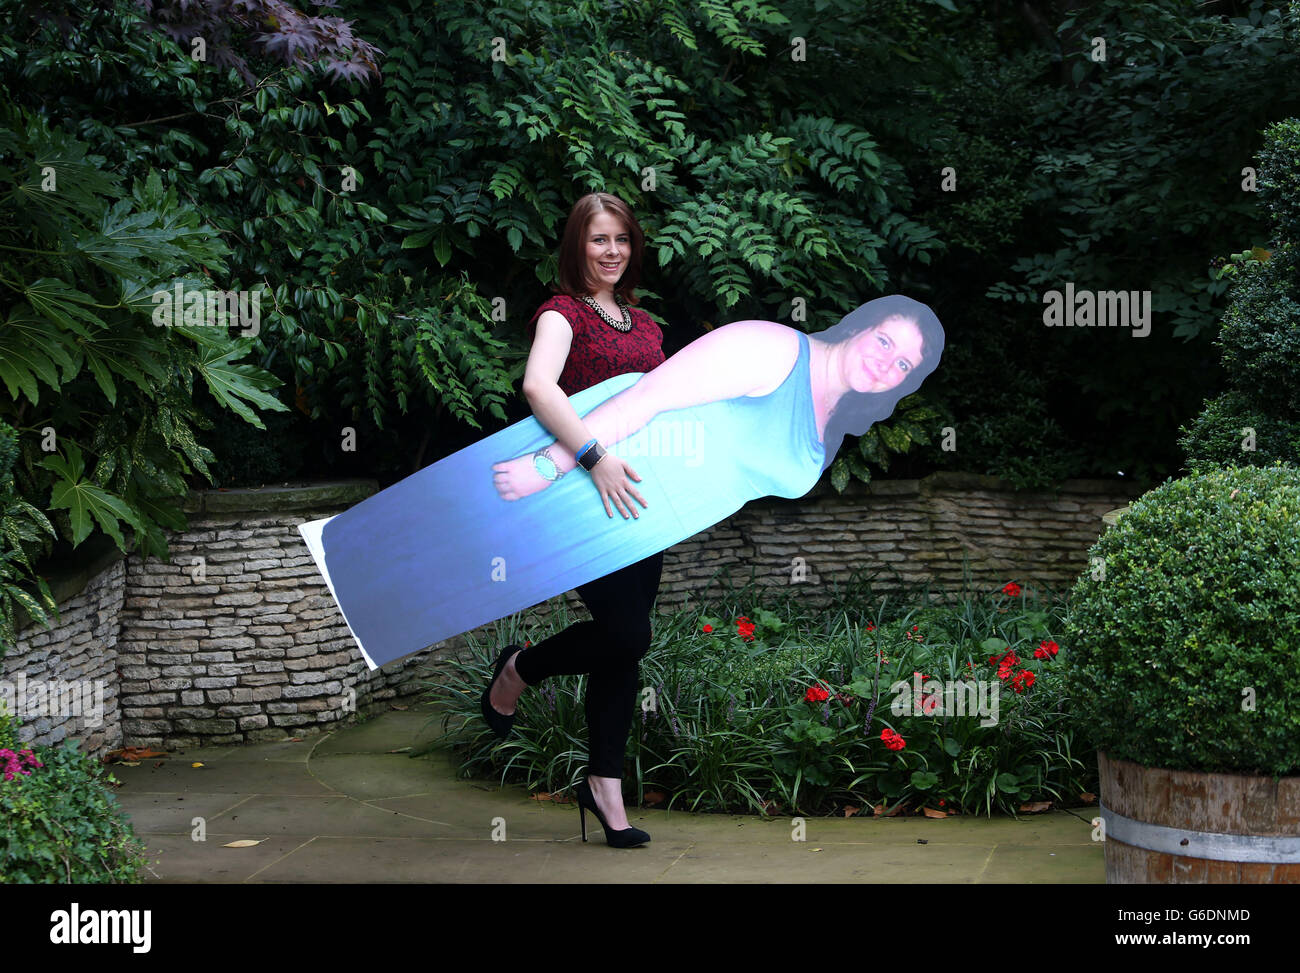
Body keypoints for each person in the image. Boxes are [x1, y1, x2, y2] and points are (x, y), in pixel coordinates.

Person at [481, 191, 666, 849]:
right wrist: (593, 457)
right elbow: (538, 387)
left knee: (623, 647)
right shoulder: (562, 314)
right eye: (597, 239)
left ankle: (606, 792)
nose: (611, 250)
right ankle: (520, 669)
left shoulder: (645, 326)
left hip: (638, 503)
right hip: (585, 495)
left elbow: (659, 406)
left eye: (620, 238)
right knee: (627, 633)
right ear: (575, 247)